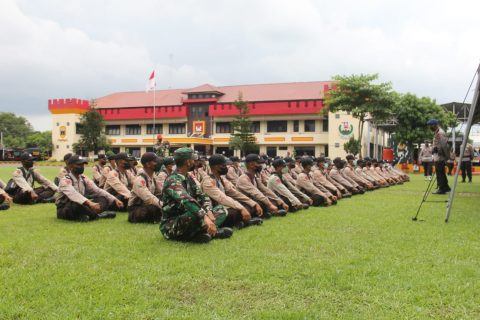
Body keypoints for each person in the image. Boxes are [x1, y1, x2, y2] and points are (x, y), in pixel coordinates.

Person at [160, 147, 233, 243]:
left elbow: (202, 196)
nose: (195, 162)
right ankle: (200, 234)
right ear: (188, 162)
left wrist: (209, 211)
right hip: (172, 225)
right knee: (194, 214)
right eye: (193, 160)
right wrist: (204, 216)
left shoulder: (188, 177)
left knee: (221, 209)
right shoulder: (172, 180)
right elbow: (186, 200)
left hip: (192, 217)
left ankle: (203, 233)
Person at [201, 154, 263, 228]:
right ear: (215, 166)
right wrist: (241, 208)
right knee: (234, 211)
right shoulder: (207, 181)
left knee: (248, 205)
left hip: (224, 206)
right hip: (212, 210)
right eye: (224, 165)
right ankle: (238, 223)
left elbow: (235, 193)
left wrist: (253, 203)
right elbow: (222, 198)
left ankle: (241, 223)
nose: (226, 167)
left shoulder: (222, 179)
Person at [56, 155, 123, 222]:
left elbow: (97, 190)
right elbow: (74, 195)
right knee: (75, 203)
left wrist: (115, 199)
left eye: (83, 164)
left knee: (103, 198)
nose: (81, 167)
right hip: (66, 208)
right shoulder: (65, 180)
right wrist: (90, 203)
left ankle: (85, 215)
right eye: (79, 164)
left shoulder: (83, 178)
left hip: (83, 205)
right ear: (70, 166)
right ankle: (97, 215)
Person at [127, 152, 163, 223]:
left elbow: (160, 192)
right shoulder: (140, 179)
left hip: (146, 205)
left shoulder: (153, 176)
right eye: (155, 161)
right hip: (136, 208)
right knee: (153, 208)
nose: (158, 163)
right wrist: (163, 205)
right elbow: (148, 198)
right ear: (148, 164)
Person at [428, 119, 451, 194]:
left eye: (431, 125)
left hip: (440, 156)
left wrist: (445, 156)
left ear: (435, 125)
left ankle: (441, 189)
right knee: (440, 172)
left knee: (439, 172)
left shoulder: (440, 133)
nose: (430, 127)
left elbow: (444, 145)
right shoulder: (437, 132)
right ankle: (446, 187)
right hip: (438, 156)